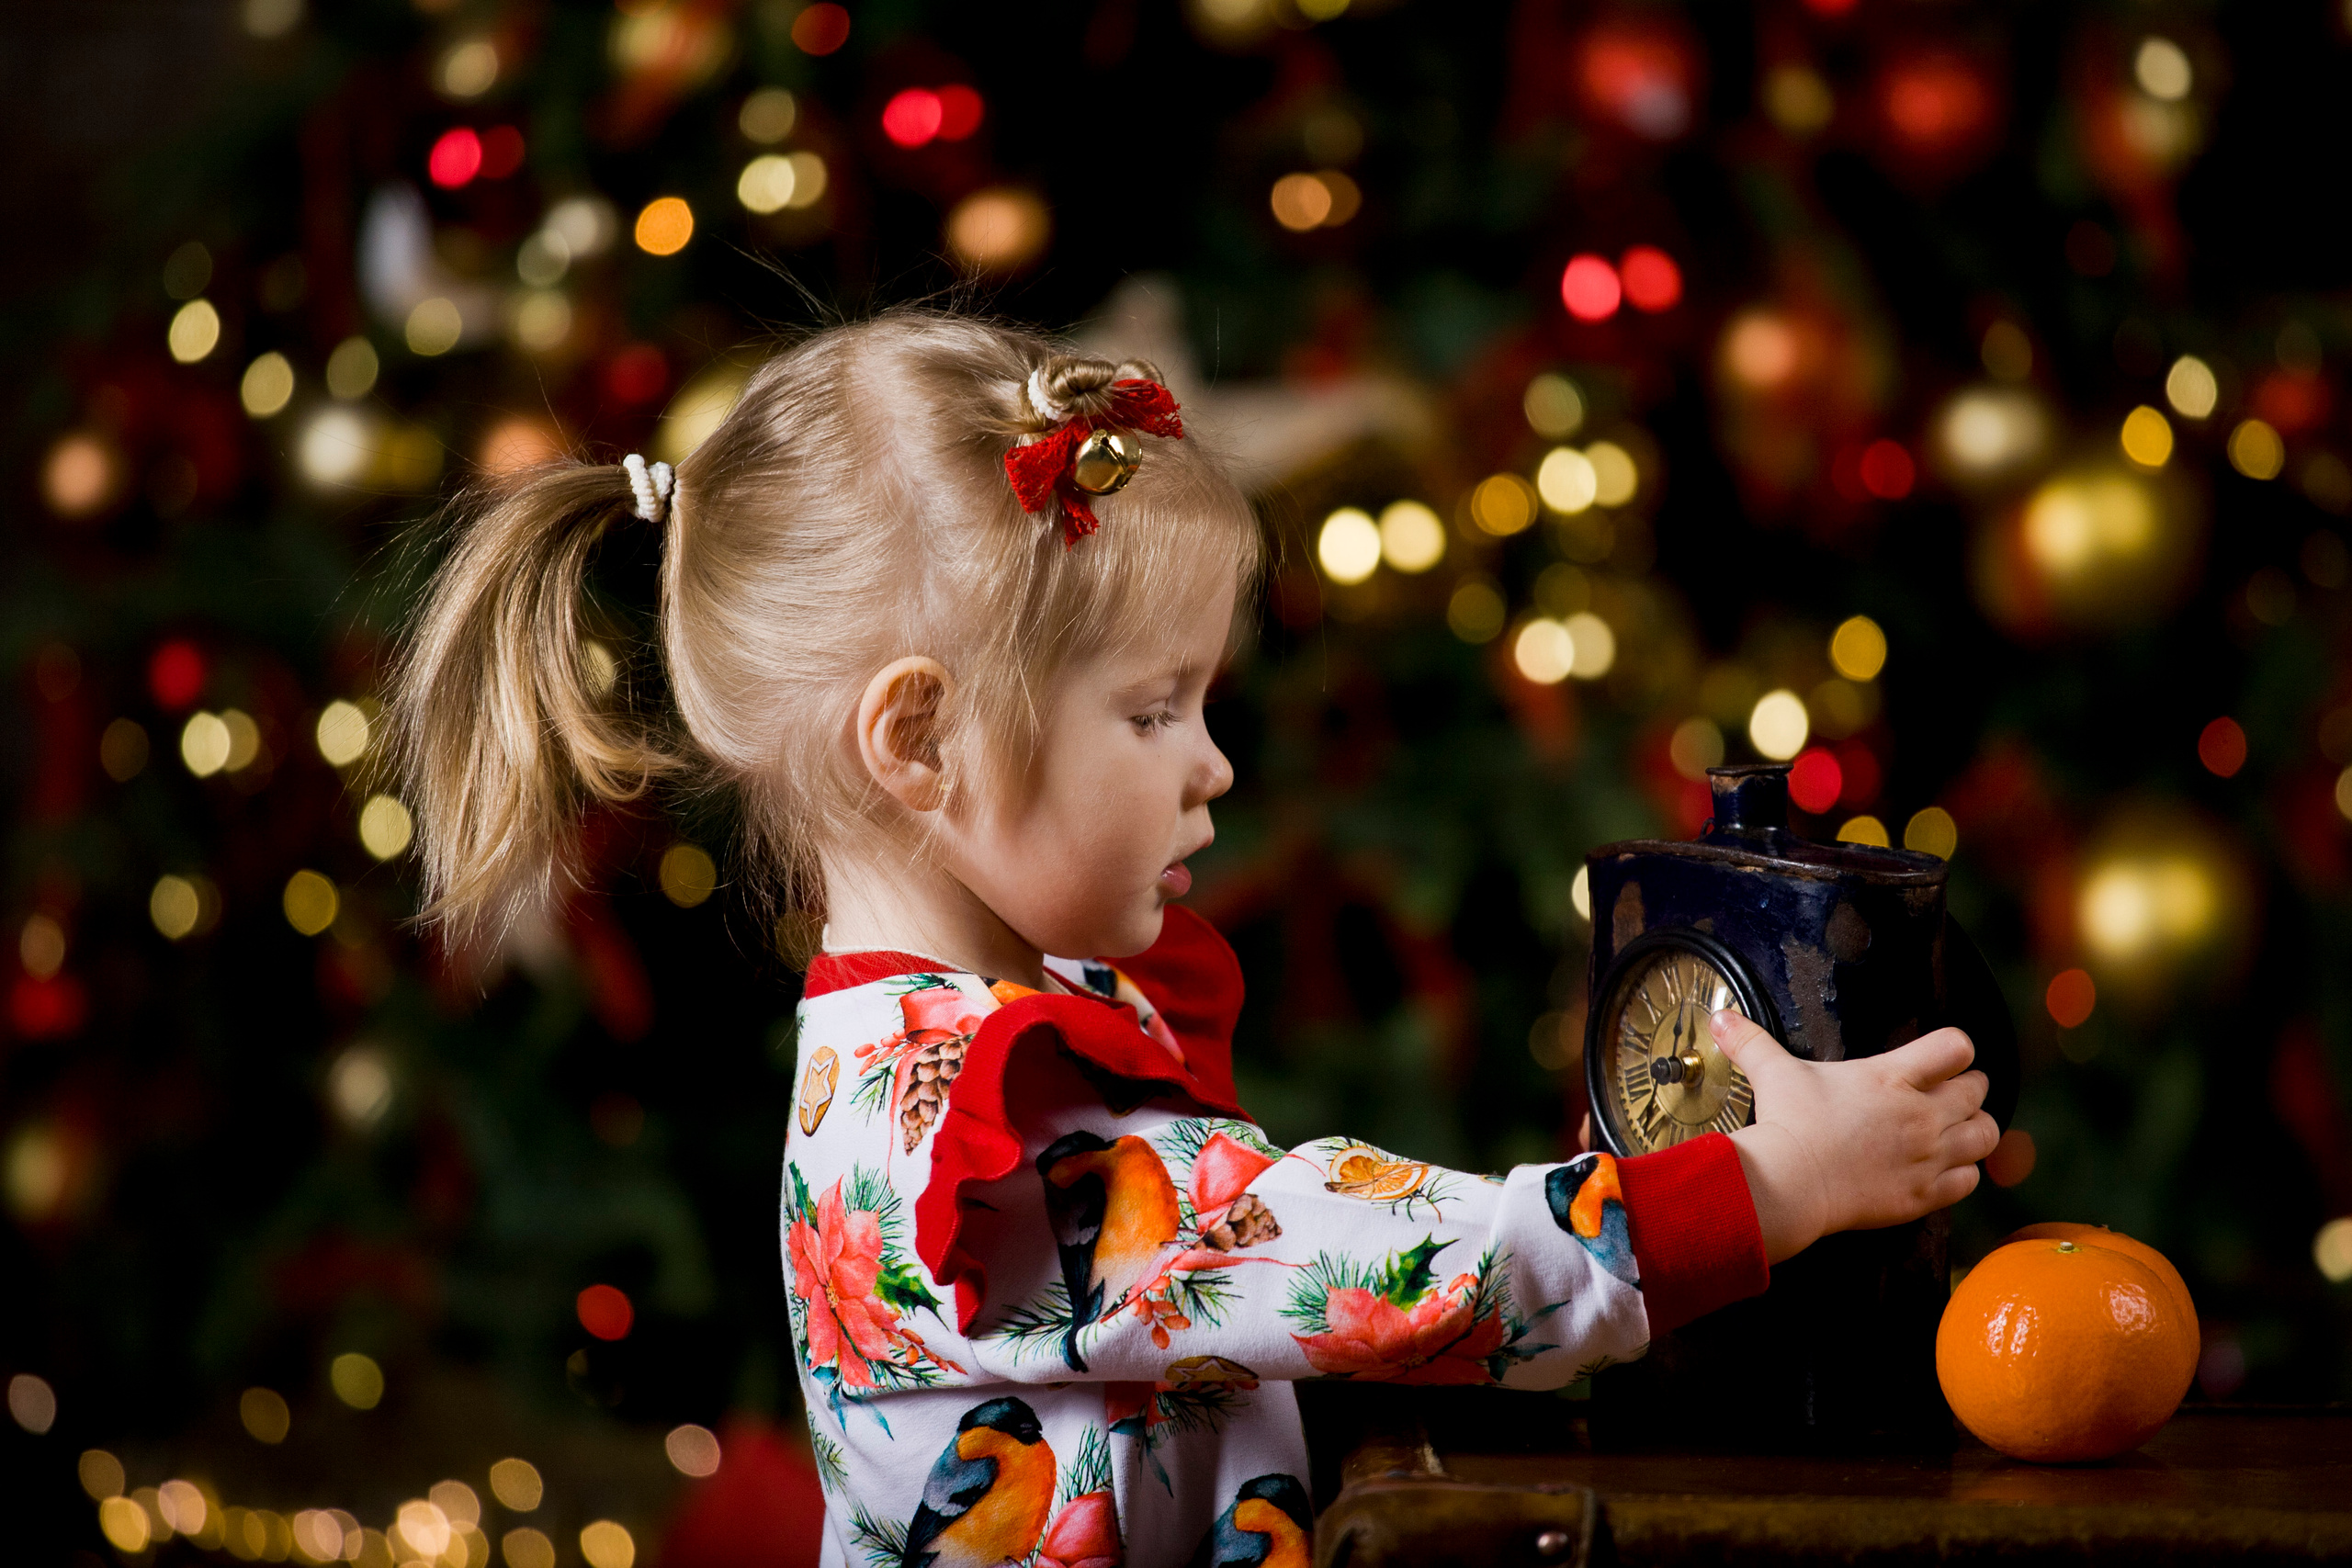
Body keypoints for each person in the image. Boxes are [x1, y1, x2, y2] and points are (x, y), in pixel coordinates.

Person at [388, 310, 2000, 1568]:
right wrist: (1770, 1189)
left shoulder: (1018, 1017)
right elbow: (1360, 1258)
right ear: (919, 744)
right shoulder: (952, 1132)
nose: (1213, 762)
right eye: (1153, 709)